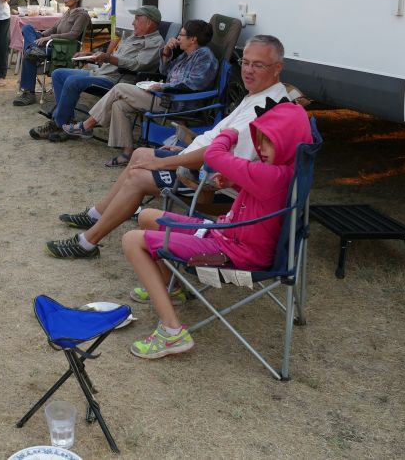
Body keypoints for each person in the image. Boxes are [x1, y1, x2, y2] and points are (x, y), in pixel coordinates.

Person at [45, 34, 291, 259]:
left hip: (210, 180)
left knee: (138, 177)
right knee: (140, 153)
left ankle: (87, 243)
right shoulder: (257, 95)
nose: (248, 70)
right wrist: (183, 150)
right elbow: (217, 139)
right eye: (245, 63)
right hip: (197, 161)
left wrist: (165, 162)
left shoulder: (265, 109)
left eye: (258, 65)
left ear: (277, 68)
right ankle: (97, 214)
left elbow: (218, 157)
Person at [121, 99, 313, 358]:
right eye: (260, 140)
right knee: (148, 217)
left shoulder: (271, 175)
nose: (261, 148)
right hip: (225, 233)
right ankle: (171, 288)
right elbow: (264, 194)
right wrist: (235, 181)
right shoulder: (284, 171)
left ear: (289, 141)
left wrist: (229, 134)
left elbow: (213, 156)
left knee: (132, 240)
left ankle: (171, 332)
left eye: (269, 142)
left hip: (231, 255)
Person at [60, 19, 218, 165]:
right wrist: (166, 52)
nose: (177, 38)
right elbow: (165, 72)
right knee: (119, 105)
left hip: (177, 103)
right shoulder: (186, 55)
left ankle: (87, 125)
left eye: (181, 35)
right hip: (165, 97)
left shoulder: (205, 57)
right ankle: (127, 153)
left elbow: (195, 83)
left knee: (120, 88)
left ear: (193, 39)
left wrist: (162, 86)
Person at [28, 6, 164, 142]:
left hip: (117, 80)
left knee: (73, 81)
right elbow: (113, 56)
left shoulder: (155, 43)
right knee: (58, 74)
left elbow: (138, 65)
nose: (133, 23)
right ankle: (67, 121)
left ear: (149, 22)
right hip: (101, 72)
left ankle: (58, 124)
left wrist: (108, 58)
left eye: (137, 19)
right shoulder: (133, 37)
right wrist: (91, 54)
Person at [13, 0, 91, 106]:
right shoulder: (67, 13)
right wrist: (41, 34)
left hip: (61, 48)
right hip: (51, 45)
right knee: (28, 28)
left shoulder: (82, 15)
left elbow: (73, 35)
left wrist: (49, 38)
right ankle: (33, 49)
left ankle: (29, 94)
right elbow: (54, 28)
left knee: (29, 56)